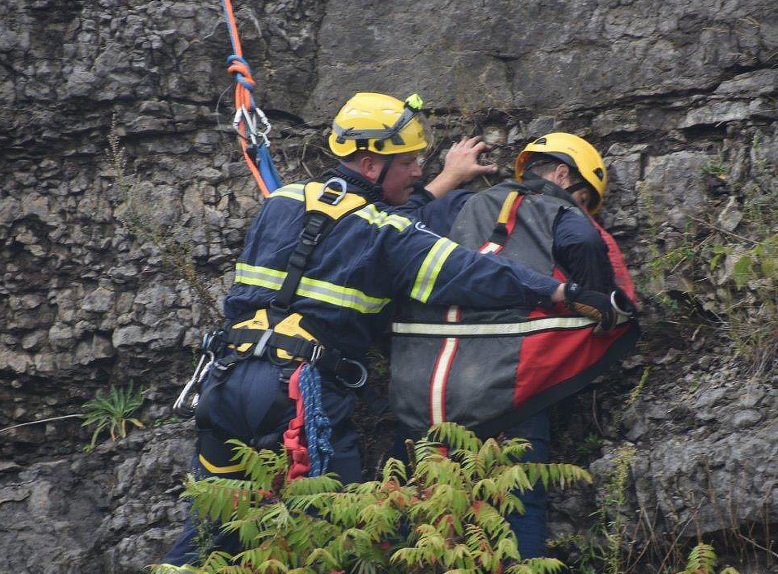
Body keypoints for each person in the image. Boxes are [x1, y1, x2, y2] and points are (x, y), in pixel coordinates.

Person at [160, 95, 622, 566]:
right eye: (409, 162)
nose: (419, 171)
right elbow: (472, 273)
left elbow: (365, 219)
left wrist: (446, 179)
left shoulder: (281, 202)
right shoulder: (389, 234)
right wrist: (564, 295)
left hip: (225, 382)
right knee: (340, 536)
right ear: (370, 163)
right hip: (300, 396)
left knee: (209, 533)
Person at [388, 132, 640, 558]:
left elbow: (397, 231)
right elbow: (587, 256)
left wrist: (447, 177)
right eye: (583, 198)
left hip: (420, 394)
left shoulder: (454, 205)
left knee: (411, 520)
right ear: (562, 175)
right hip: (506, 393)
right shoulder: (563, 214)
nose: (582, 210)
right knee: (518, 510)